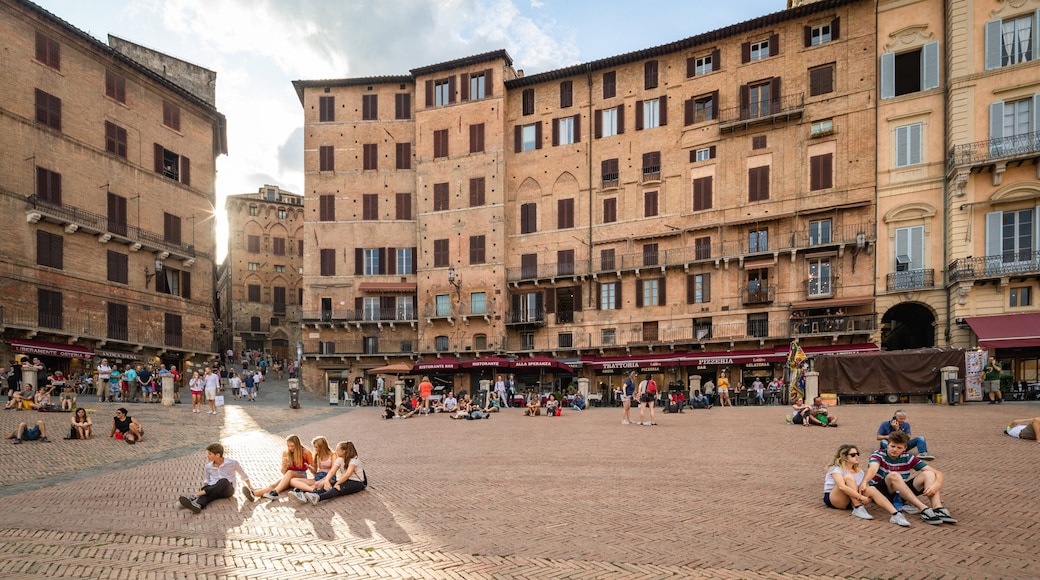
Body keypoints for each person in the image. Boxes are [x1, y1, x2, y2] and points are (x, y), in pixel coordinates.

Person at [860, 430, 956, 525]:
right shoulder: (878, 454)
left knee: (929, 474)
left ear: (905, 448)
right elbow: (873, 468)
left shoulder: (908, 457)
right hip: (882, 491)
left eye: (899, 447)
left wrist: (936, 485)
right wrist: (864, 482)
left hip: (900, 492)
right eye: (892, 446)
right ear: (887, 445)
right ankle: (923, 508)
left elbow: (938, 473)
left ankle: (938, 508)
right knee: (894, 475)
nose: (895, 449)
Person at [823, 444, 908, 526]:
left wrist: (868, 497)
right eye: (853, 455)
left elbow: (864, 487)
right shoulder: (836, 469)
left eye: (857, 454)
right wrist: (861, 497)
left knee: (871, 488)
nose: (857, 456)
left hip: (852, 498)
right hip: (835, 498)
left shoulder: (859, 471)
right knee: (849, 478)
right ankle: (858, 507)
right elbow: (842, 487)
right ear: (844, 456)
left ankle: (896, 514)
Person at [178, 443, 254, 514]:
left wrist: (250, 486)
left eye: (210, 454)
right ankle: (198, 506)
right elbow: (207, 479)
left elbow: (243, 475)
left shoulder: (232, 463)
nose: (208, 456)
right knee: (208, 491)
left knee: (224, 481)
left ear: (217, 455)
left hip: (227, 490)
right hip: (214, 488)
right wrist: (205, 487)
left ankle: (194, 496)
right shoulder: (208, 466)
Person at [291, 441, 367, 505]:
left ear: (344, 451)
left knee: (337, 488)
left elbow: (347, 474)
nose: (336, 451)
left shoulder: (354, 460)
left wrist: (337, 483)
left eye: (338, 450)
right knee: (328, 486)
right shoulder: (340, 459)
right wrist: (327, 481)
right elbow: (332, 471)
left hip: (357, 483)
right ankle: (305, 497)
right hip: (345, 480)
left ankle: (318, 498)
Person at [244, 434, 314, 501]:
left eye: (292, 446)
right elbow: (283, 472)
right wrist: (284, 466)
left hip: (301, 476)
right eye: (288, 446)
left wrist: (310, 468)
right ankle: (253, 494)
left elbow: (313, 469)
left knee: (290, 472)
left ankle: (275, 493)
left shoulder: (306, 452)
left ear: (298, 444)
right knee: (273, 485)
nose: (290, 448)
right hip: (288, 477)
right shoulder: (286, 453)